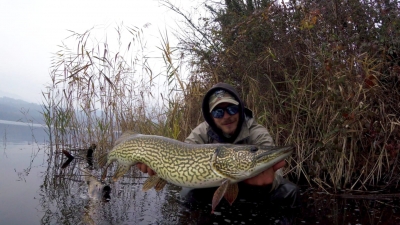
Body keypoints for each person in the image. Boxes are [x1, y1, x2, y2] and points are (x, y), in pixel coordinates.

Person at [136, 82, 299, 208]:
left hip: (250, 190)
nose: (226, 116)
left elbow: (277, 174)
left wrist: (266, 185)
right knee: (187, 193)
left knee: (290, 192)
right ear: (211, 116)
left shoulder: (257, 132)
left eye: (231, 109)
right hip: (214, 184)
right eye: (218, 112)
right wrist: (158, 169)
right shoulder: (201, 132)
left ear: (240, 109)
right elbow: (183, 154)